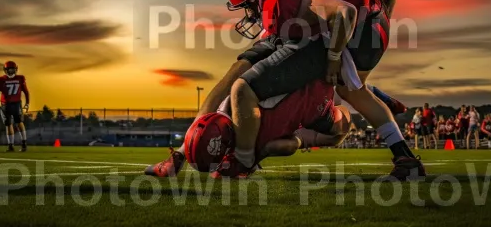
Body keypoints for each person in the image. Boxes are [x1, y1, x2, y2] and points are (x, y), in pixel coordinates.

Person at [219, 0, 424, 179]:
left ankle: (406, 159)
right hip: (372, 15)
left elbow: (344, 13)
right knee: (353, 86)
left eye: (248, 5)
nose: (249, 13)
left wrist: (334, 57)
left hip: (359, 27)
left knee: (352, 90)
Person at [145, 79, 350, 177]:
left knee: (338, 131)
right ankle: (243, 162)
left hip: (311, 101)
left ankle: (183, 155)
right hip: (312, 93)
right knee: (339, 129)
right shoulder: (227, 107)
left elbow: (284, 145)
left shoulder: (231, 106)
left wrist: (298, 140)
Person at [0, 61, 30, 152]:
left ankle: (12, 145)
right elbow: (26, 92)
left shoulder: (1, 80)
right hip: (15, 104)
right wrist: (27, 103)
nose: (11, 72)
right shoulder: (20, 79)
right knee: (18, 123)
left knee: (9, 124)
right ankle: (23, 144)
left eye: (12, 70)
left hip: (6, 105)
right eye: (9, 70)